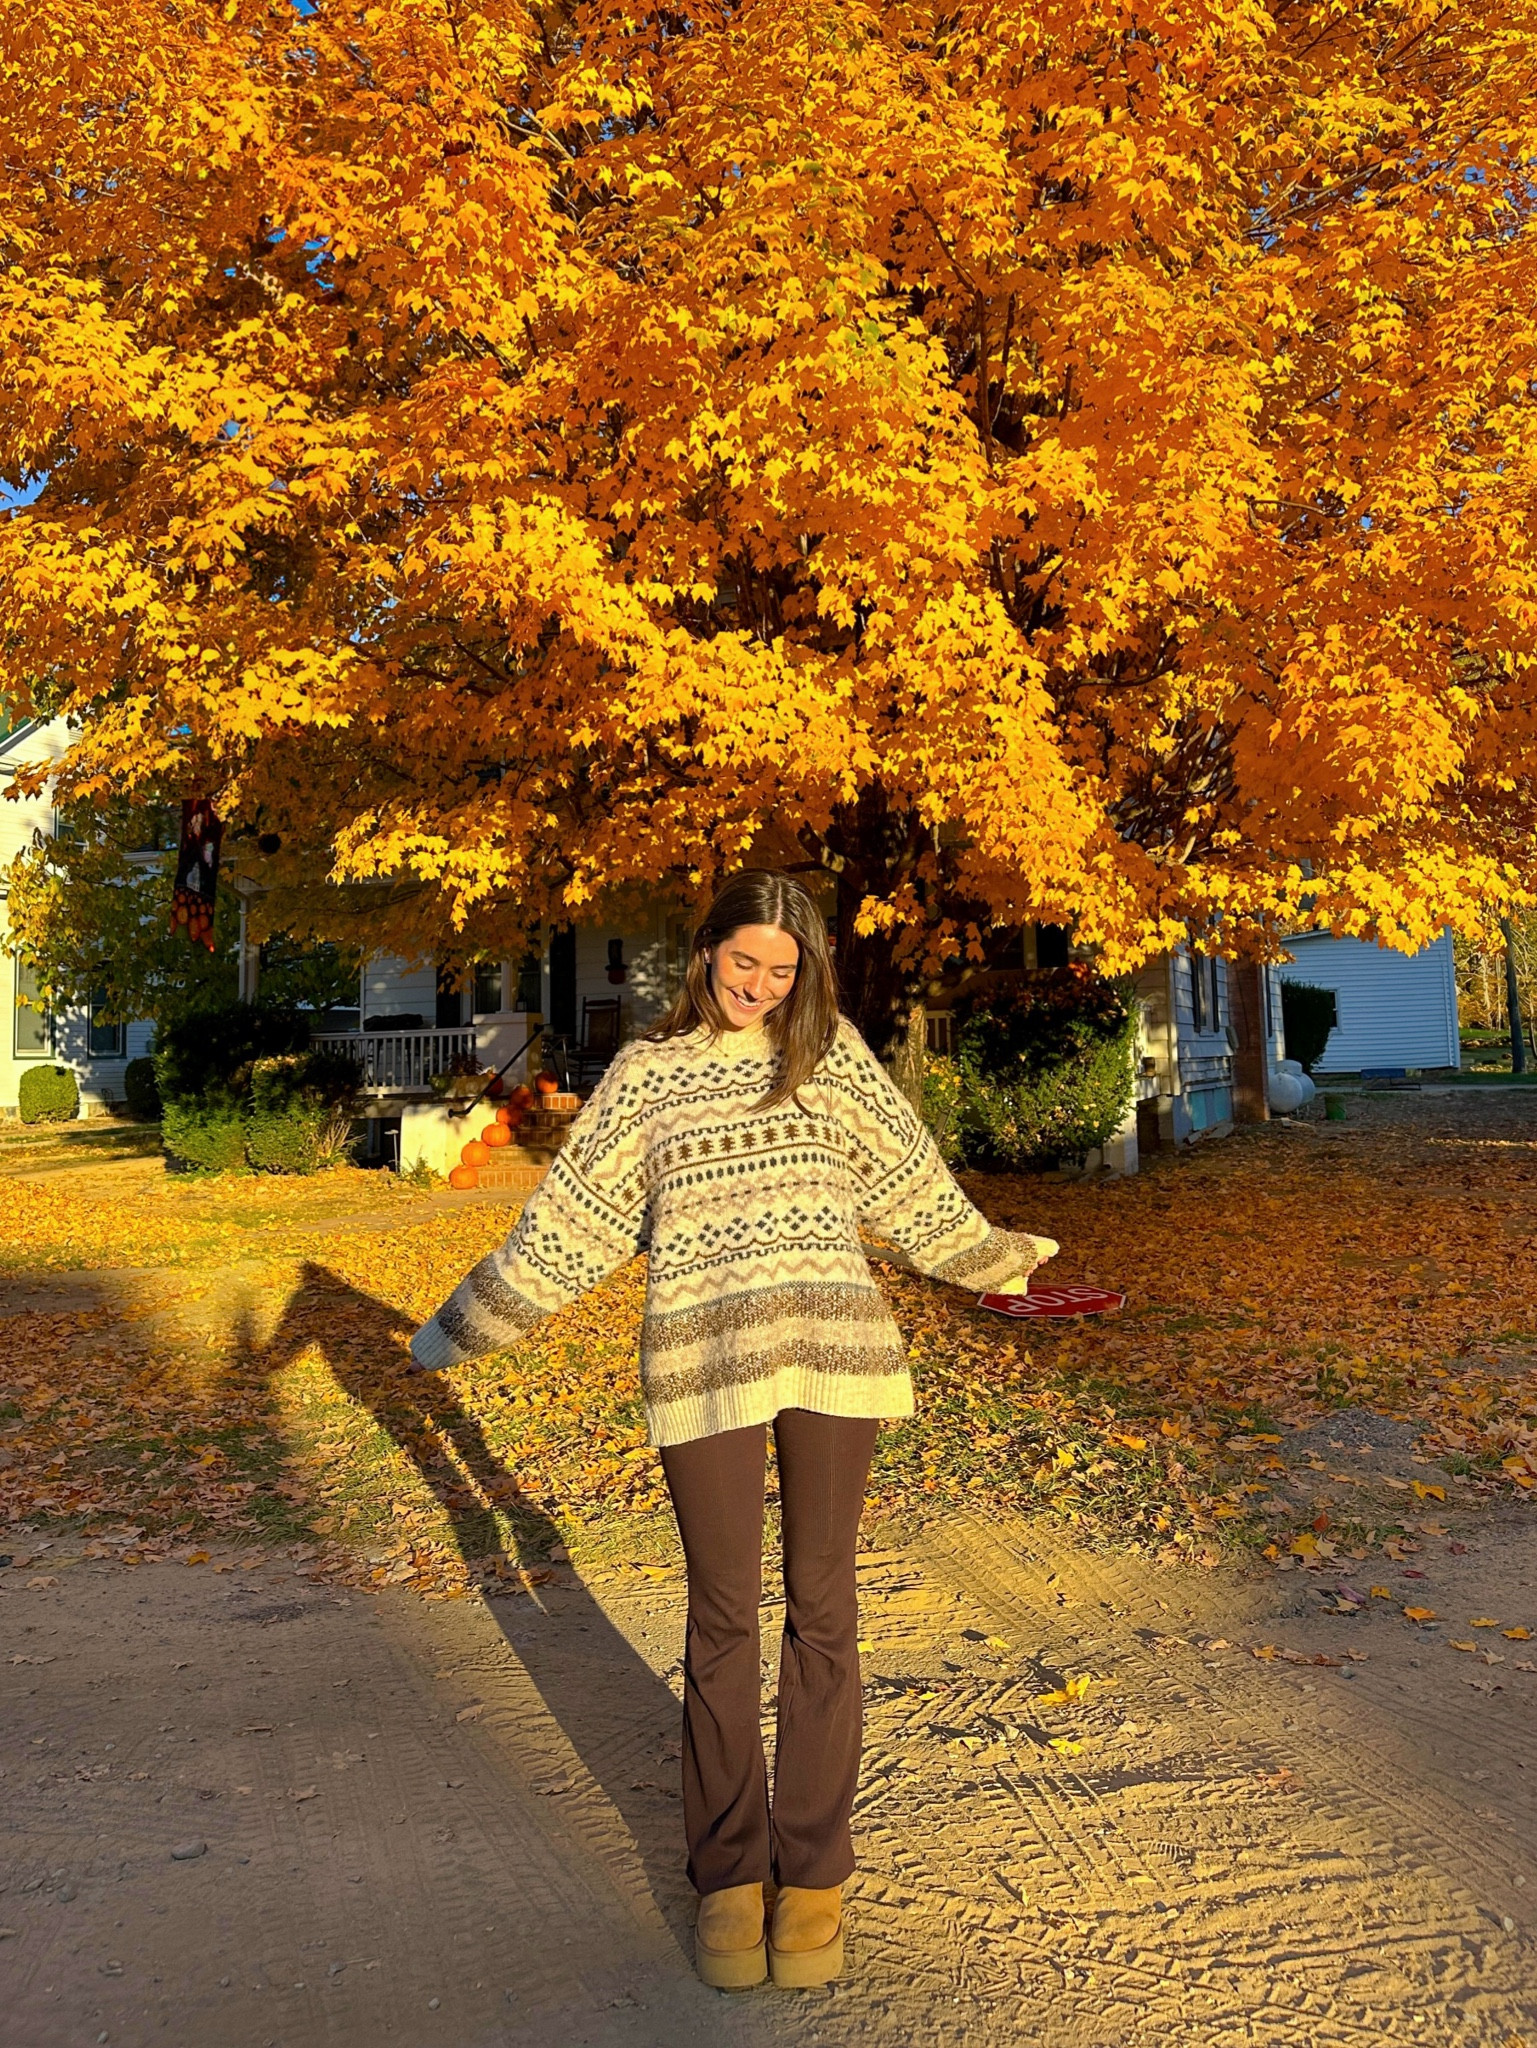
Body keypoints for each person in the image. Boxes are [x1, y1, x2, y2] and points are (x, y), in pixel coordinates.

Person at [409, 870, 1057, 1990]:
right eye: (743, 959)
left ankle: (810, 1878)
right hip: (699, 1365)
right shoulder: (646, 1076)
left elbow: (912, 1189)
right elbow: (569, 1224)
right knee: (719, 1619)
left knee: (824, 1610)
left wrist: (994, 1257)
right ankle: (727, 1877)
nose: (759, 984)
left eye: (782, 968)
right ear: (704, 948)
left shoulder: (831, 1057)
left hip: (833, 1356)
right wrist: (463, 1323)